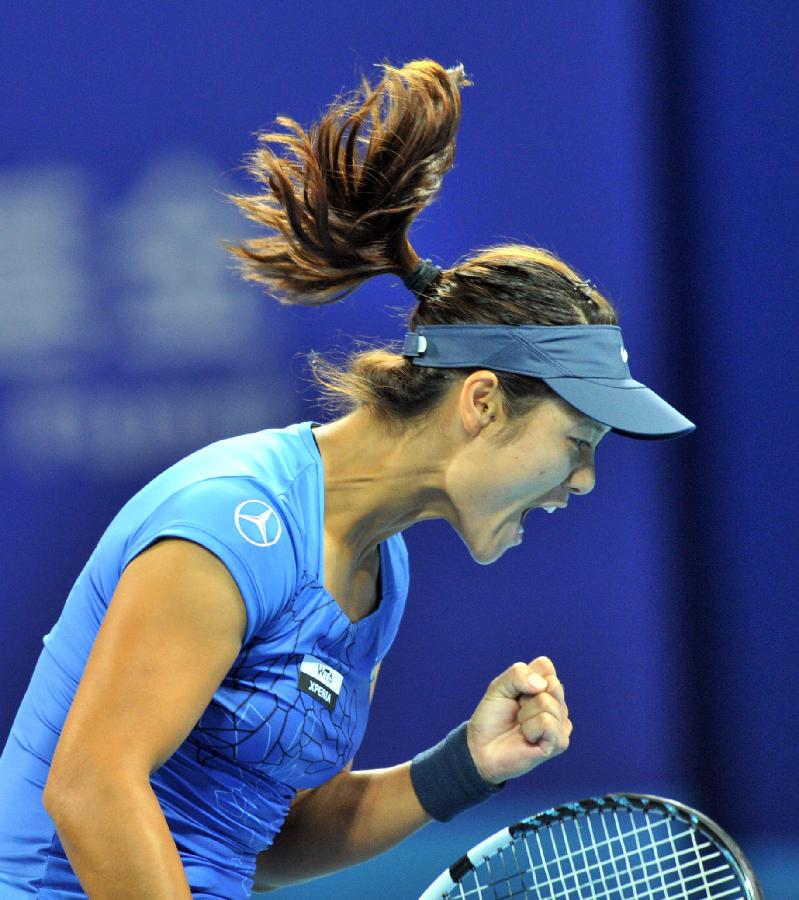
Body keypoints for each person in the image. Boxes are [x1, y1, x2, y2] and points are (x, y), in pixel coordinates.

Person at [0, 58, 694, 898]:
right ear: (481, 402)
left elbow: (269, 833)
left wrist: (464, 766)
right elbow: (92, 788)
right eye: (577, 439)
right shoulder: (232, 523)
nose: (582, 480)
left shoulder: (378, 570)